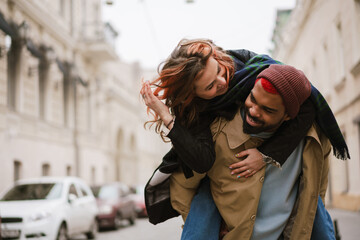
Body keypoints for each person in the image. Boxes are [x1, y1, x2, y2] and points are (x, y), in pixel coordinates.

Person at [141, 39, 348, 237]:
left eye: (219, 71)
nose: (223, 82)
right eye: (210, 87)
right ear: (193, 96)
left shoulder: (251, 67)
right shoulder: (203, 114)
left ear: (215, 56)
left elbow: (307, 99)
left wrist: (265, 154)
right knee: (205, 199)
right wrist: (168, 118)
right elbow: (199, 165)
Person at [179, 64, 335, 240]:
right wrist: (205, 224)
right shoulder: (218, 132)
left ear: (288, 116)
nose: (253, 111)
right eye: (252, 99)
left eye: (268, 110)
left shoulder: (314, 141)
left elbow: (317, 191)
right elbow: (183, 185)